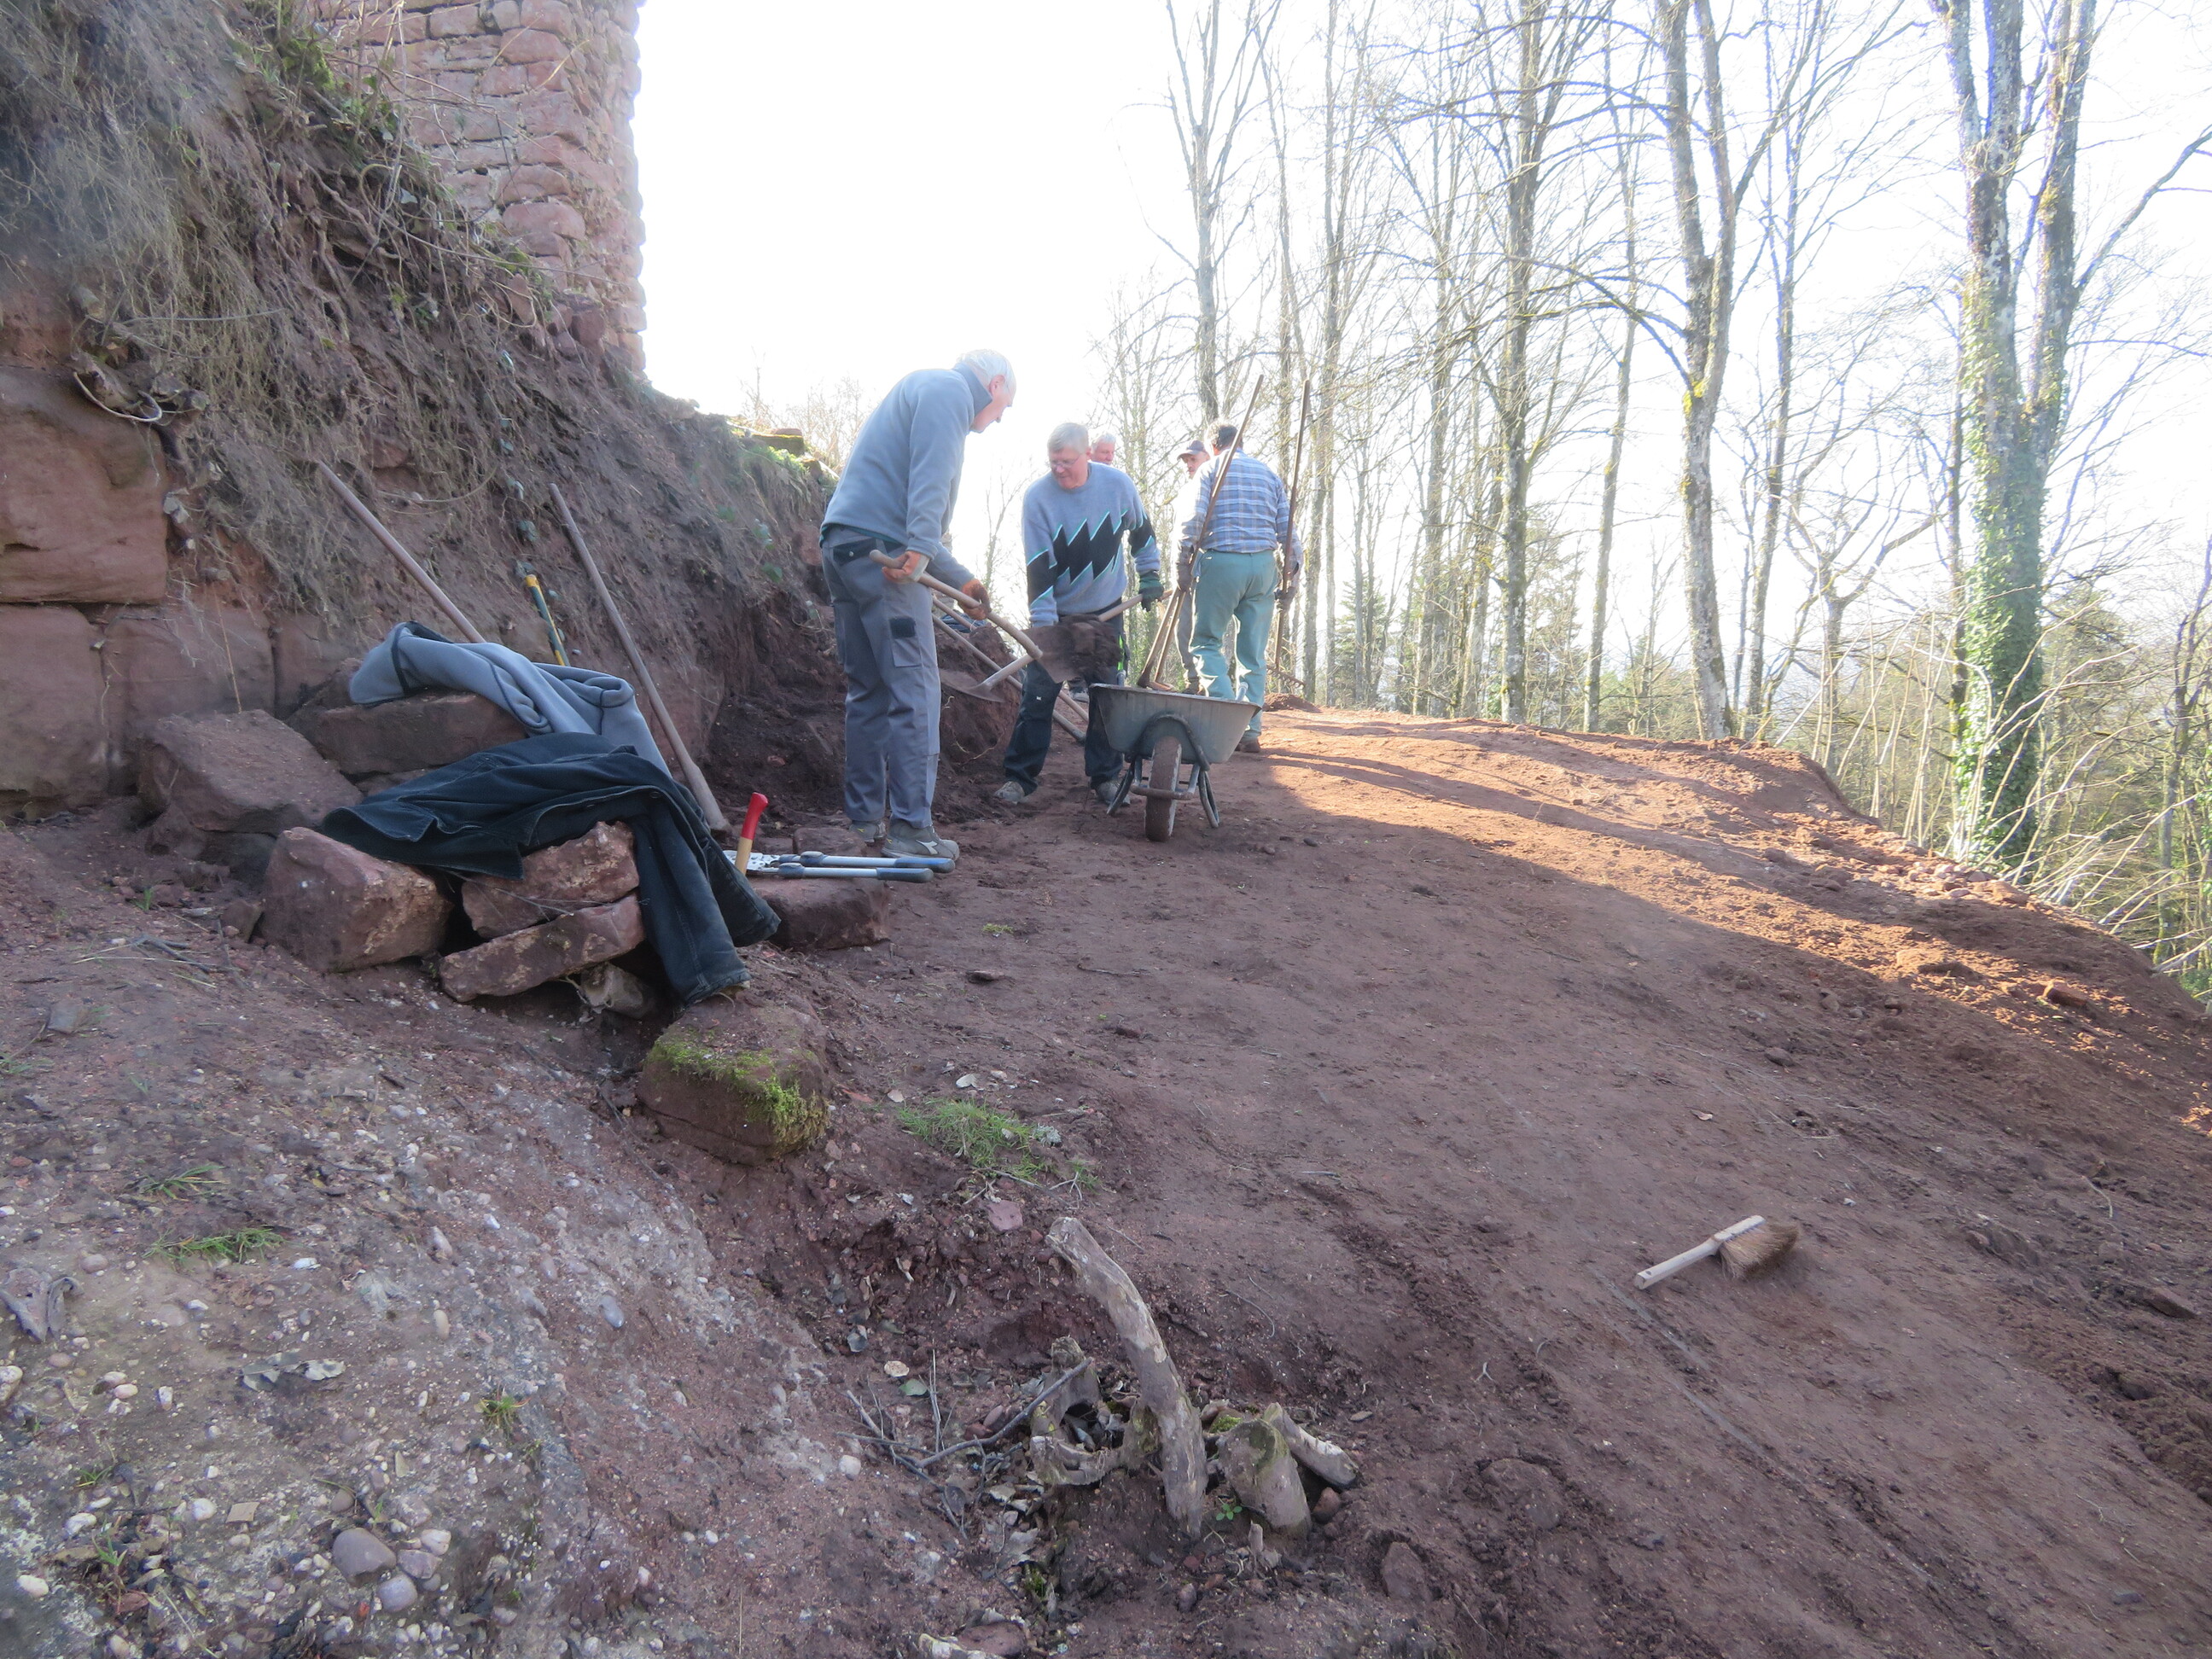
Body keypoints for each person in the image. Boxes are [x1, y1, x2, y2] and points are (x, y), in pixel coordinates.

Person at [818, 349, 1015, 860]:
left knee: (869, 691)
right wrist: (923, 550)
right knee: (917, 693)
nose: (997, 422)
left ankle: (864, 821)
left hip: (845, 548)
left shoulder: (920, 389)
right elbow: (929, 486)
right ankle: (911, 830)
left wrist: (963, 580)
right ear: (994, 384)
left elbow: (903, 518)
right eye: (1004, 408)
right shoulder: (951, 392)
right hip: (885, 561)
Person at [994, 422, 1163, 806]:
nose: (1059, 470)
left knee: (1106, 697)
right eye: (1053, 462)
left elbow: (1142, 531)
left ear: (1087, 454)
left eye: (1066, 462)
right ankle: (1020, 778)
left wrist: (1150, 573)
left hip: (1106, 610)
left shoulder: (1117, 486)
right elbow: (1038, 565)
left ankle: (1105, 778)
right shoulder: (1039, 498)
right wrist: (1044, 627)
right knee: (1038, 697)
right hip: (1057, 613)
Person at [1178, 421, 1299, 753]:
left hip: (1221, 563)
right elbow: (1287, 530)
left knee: (1205, 643)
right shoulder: (1268, 474)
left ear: (1213, 447)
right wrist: (1293, 574)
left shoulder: (1210, 470)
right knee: (1252, 652)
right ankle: (1250, 730)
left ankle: (1226, 717)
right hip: (1262, 566)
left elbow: (1194, 520)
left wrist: (1181, 561)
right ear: (1242, 442)